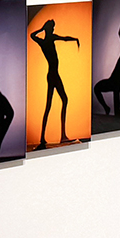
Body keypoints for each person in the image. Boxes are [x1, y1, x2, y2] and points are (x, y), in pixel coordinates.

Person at [30, 18, 81, 147]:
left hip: (53, 75)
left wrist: (42, 29)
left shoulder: (43, 41)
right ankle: (52, 137)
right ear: (48, 29)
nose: (53, 29)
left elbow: (33, 35)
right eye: (52, 27)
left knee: (56, 103)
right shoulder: (49, 39)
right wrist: (75, 39)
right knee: (56, 103)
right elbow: (64, 38)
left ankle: (52, 137)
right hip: (53, 75)